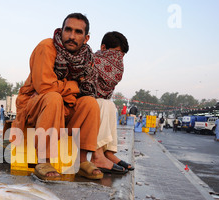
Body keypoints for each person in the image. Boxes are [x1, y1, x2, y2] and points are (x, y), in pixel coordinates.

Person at [12, 13, 102, 181]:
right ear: (61, 31)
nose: (72, 36)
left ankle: (82, 161)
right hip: (35, 108)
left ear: (86, 37)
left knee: (90, 103)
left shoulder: (86, 57)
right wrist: (74, 86)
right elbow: (45, 86)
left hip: (63, 108)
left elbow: (88, 89)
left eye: (78, 32)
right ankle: (44, 160)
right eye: (68, 30)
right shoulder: (47, 47)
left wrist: (72, 91)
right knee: (53, 97)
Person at [83, 31, 133, 174]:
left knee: (110, 105)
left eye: (122, 55)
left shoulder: (104, 68)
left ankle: (108, 153)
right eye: (117, 53)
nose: (119, 59)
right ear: (103, 48)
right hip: (80, 103)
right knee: (102, 103)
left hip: (93, 103)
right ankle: (97, 155)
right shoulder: (89, 60)